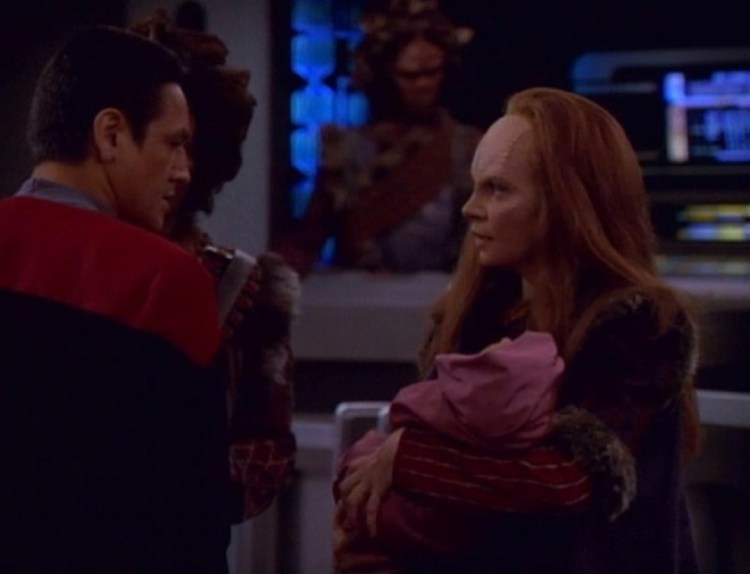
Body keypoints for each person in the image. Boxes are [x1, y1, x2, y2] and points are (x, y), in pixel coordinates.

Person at [333, 87, 703, 574]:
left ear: (567, 202)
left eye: (498, 189)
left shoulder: (639, 326)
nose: (471, 208)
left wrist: (408, 457)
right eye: (475, 186)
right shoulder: (480, 315)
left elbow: (571, 481)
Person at [0, 26, 230, 573]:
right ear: (110, 135)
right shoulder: (163, 280)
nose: (184, 170)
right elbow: (191, 517)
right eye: (173, 143)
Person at [129, 11, 299, 522]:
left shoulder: (242, 286)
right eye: (166, 143)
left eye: (188, 147)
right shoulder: (64, 260)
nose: (178, 168)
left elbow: (267, 456)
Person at [274, 0, 483, 276]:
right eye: (410, 75)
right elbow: (309, 239)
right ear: (386, 74)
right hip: (362, 295)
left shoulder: (466, 147)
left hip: (441, 292)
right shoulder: (345, 150)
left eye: (432, 72)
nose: (423, 84)